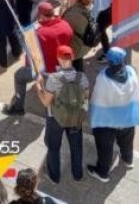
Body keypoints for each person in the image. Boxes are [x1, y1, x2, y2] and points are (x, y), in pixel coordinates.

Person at [4, 1, 74, 116]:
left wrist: (23, 35)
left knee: (19, 76)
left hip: (45, 70)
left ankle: (18, 107)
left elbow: (29, 49)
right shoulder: (65, 25)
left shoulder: (37, 33)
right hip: (62, 66)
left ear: (41, 15)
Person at [87, 47, 139, 182]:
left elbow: (96, 97)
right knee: (127, 142)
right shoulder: (131, 71)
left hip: (107, 122)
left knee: (105, 148)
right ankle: (128, 160)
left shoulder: (102, 77)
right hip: (127, 118)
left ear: (109, 61)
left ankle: (102, 173)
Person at [38, 45, 89, 185]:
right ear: (72, 58)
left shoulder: (53, 79)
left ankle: (54, 176)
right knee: (76, 147)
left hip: (56, 119)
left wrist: (39, 87)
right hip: (75, 118)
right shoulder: (82, 77)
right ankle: (77, 175)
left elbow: (46, 102)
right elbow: (85, 97)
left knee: (54, 147)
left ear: (58, 58)